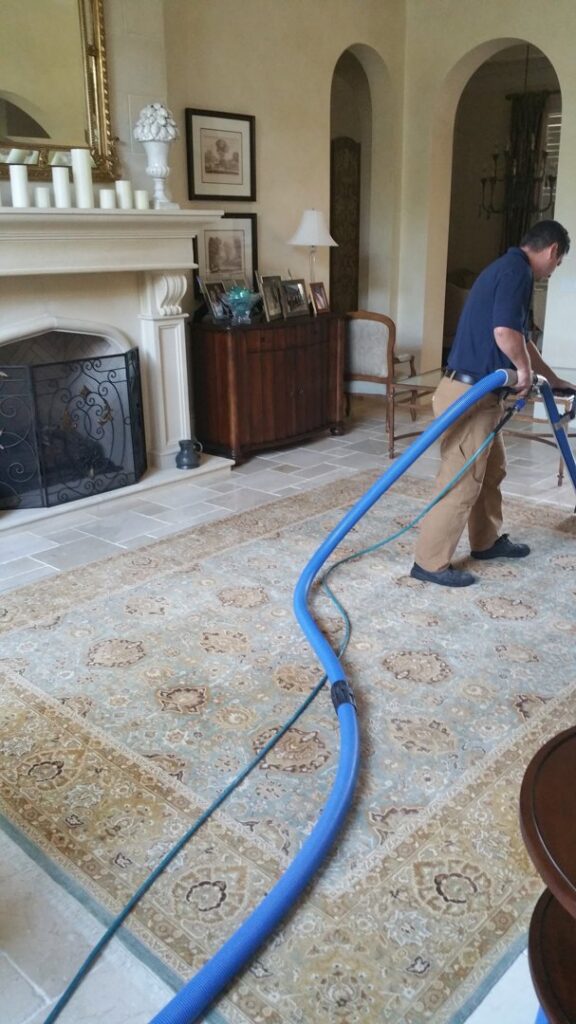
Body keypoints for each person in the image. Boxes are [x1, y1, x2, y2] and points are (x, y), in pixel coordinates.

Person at [411, 219, 575, 588]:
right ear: (552, 251)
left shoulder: (509, 268)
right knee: (461, 481)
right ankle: (429, 562)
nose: (554, 269)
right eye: (558, 262)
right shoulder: (516, 272)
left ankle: (485, 542)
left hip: (482, 398)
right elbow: (504, 334)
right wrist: (521, 370)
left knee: (492, 470)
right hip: (468, 396)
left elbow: (519, 337)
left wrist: (550, 377)